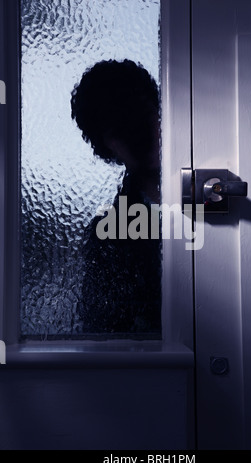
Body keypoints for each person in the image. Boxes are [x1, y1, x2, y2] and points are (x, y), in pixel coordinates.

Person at [71, 59, 162, 336]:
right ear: (107, 146)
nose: (139, 136)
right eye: (120, 129)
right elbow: (106, 334)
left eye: (142, 116)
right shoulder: (109, 235)